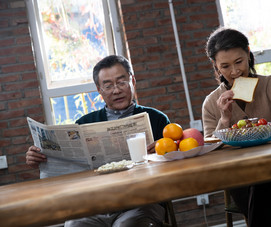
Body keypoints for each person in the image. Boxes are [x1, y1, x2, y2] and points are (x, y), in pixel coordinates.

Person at [26, 55, 170, 227]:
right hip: (97, 204)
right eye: (108, 86)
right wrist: (39, 159)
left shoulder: (157, 119)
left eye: (121, 82)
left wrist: (163, 154)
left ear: (132, 80)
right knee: (73, 225)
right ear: (99, 90)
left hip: (143, 201)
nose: (116, 90)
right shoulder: (83, 124)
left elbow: (175, 161)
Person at [202, 27, 271, 227]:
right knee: (262, 188)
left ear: (249, 54)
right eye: (225, 66)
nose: (234, 72)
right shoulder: (211, 103)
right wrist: (224, 119)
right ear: (215, 66)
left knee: (264, 185)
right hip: (242, 179)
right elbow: (209, 146)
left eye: (239, 62)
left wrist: (249, 133)